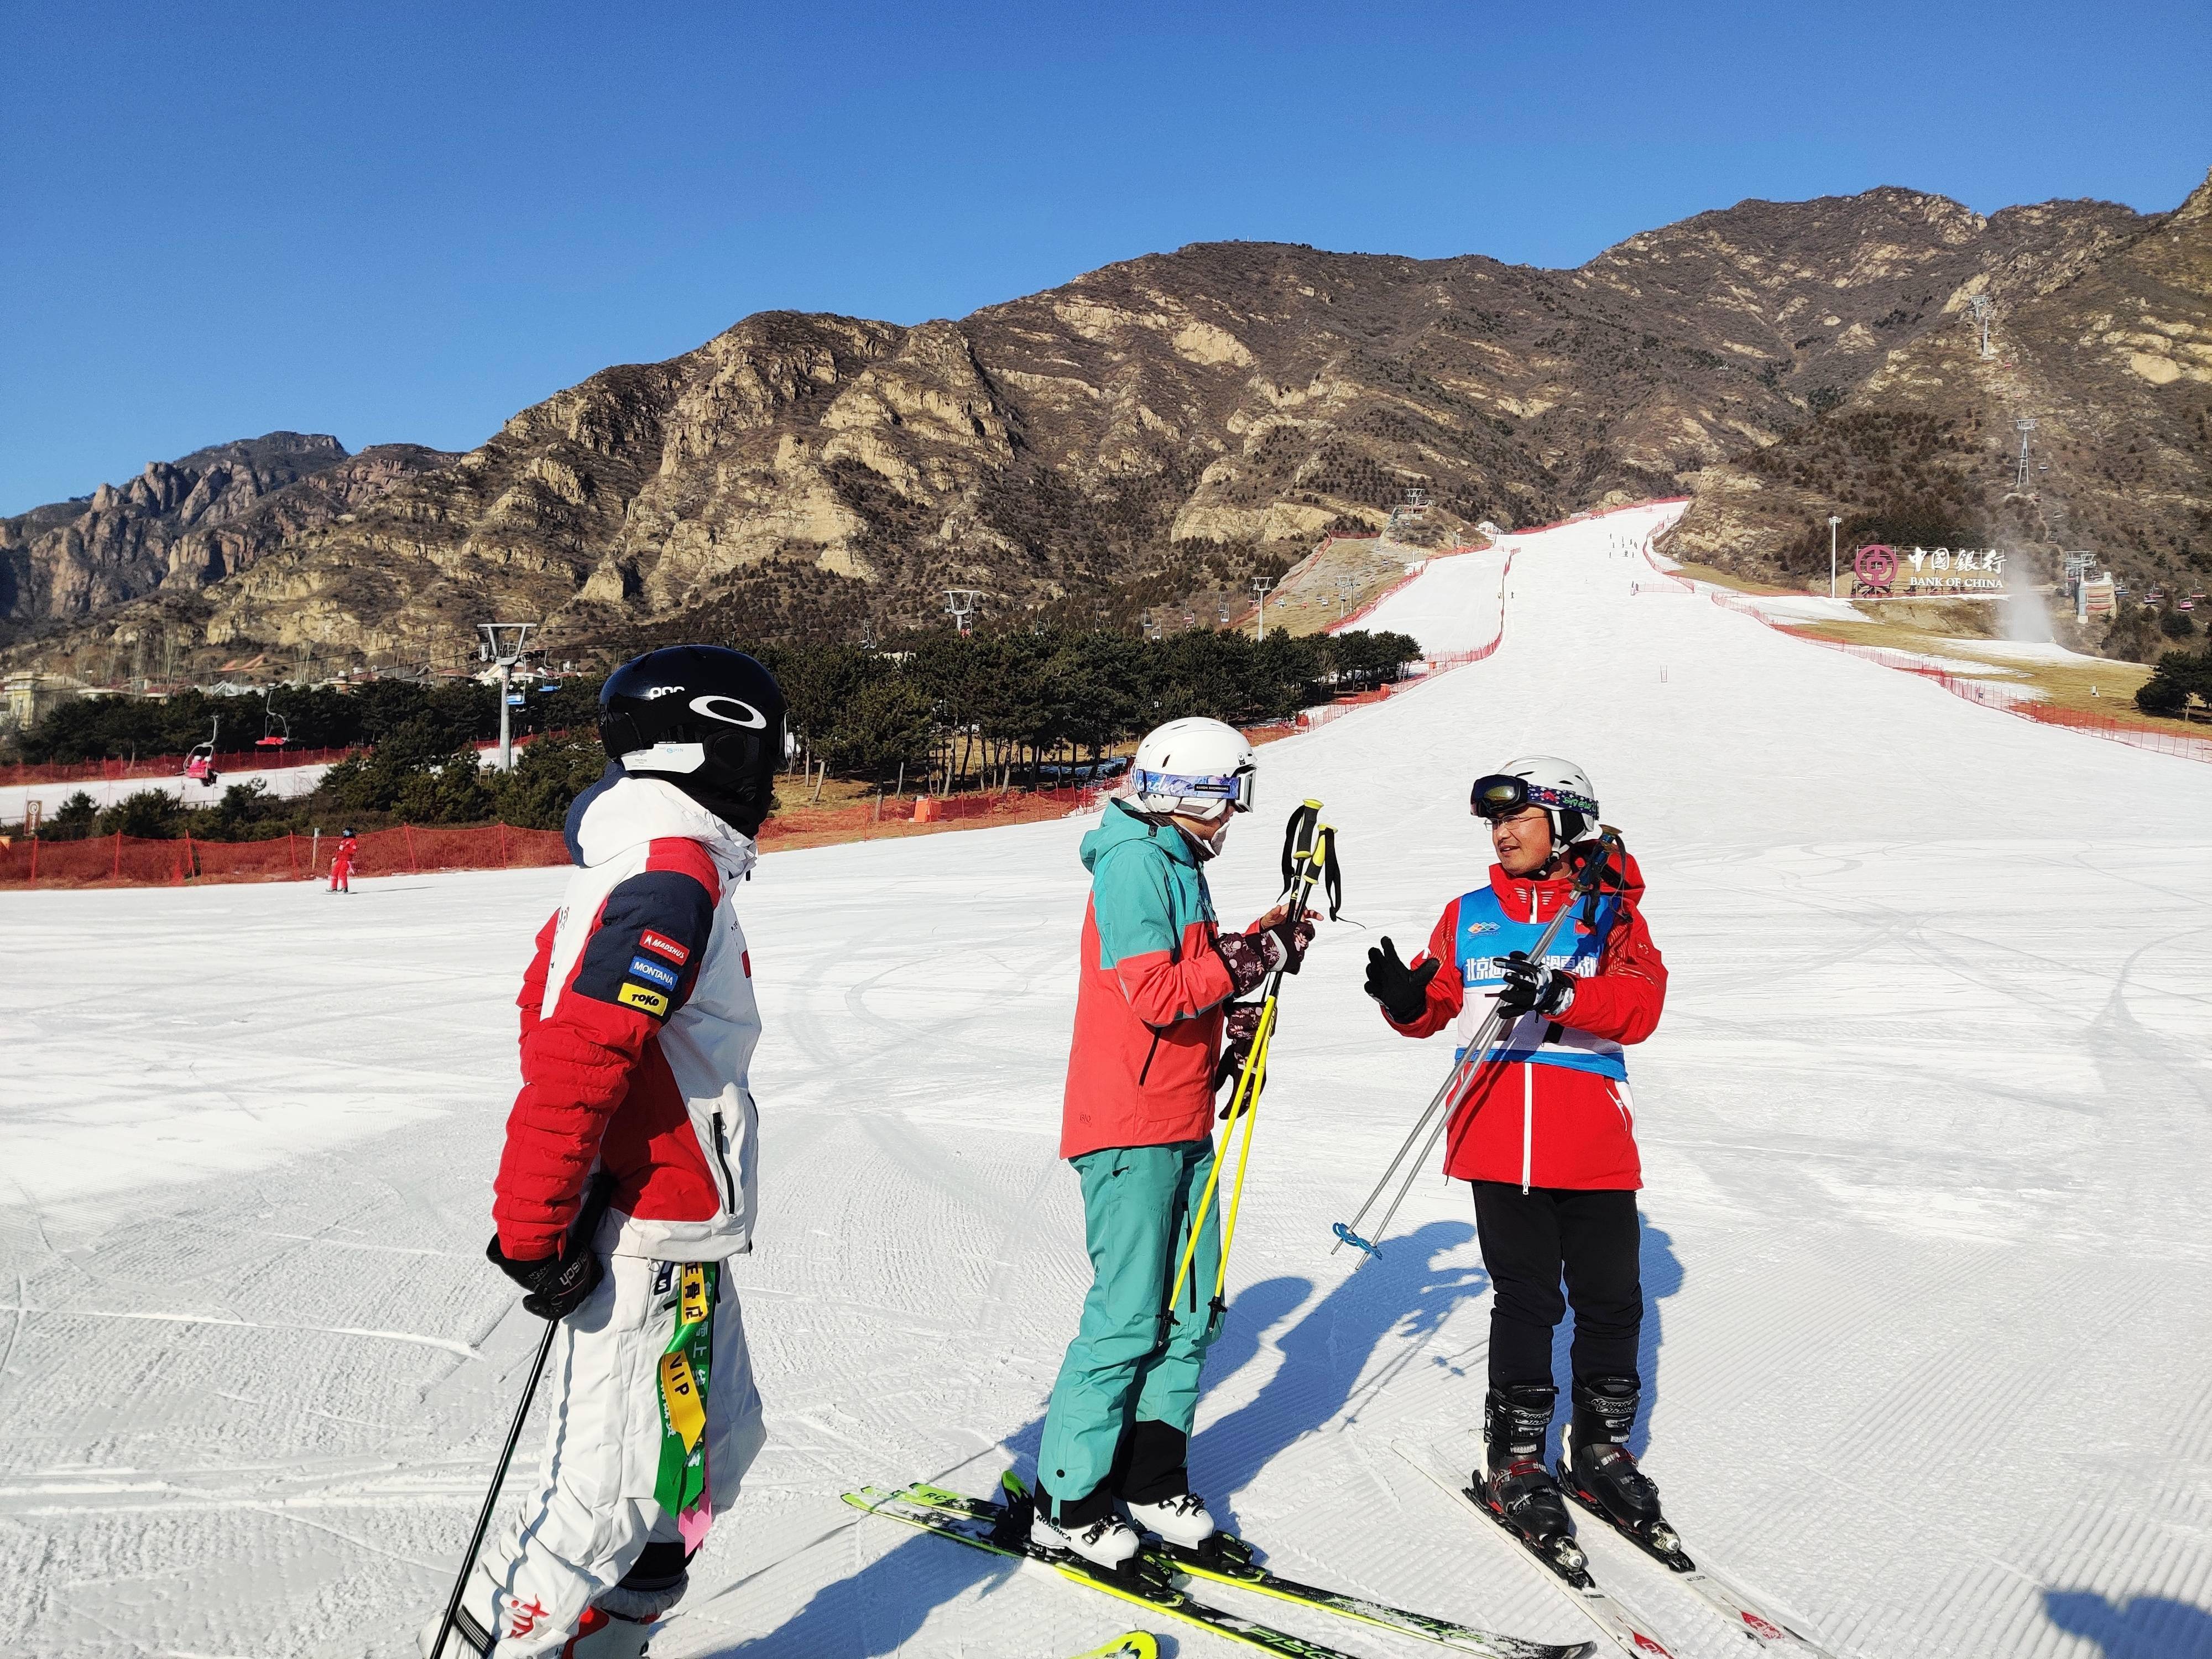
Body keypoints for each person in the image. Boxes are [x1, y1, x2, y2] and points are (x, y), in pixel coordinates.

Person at [424, 646, 786, 1659]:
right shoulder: (668, 875)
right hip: (646, 1233)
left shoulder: (667, 863)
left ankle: (609, 1638)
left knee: (712, 1451)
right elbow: (578, 1051)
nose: (774, 778)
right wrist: (537, 1228)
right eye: (768, 752)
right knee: (604, 1498)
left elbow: (562, 1010)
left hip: (686, 1228)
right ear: (722, 749)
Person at [1362, 757, 1669, 1554]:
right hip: (1496, 1133)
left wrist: (1563, 996)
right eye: (1496, 823)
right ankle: (1519, 1460)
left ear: (1566, 826)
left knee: (1612, 1299)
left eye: (1519, 820)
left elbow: (1641, 1004)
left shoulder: (1608, 914)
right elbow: (1434, 1005)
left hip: (1592, 1136)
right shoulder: (1468, 914)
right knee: (1527, 1300)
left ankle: (1602, 1450)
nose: (1502, 835)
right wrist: (1406, 999)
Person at [1032, 717, 1313, 1574]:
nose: (1233, 814)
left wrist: (1238, 986)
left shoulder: (1178, 865)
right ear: (1193, 792)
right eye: (1229, 796)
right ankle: (1068, 1499)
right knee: (1126, 1318)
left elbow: (1192, 990)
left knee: (1192, 1312)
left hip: (1183, 1117)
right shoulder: (1133, 864)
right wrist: (1249, 960)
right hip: (1129, 1125)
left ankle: (1151, 1477)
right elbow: (1156, 993)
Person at [328, 827, 358, 894]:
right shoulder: (343, 841)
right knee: (334, 873)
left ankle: (344, 888)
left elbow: (354, 850)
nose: (345, 833)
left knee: (342, 873)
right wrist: (336, 857)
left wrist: (345, 850)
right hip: (340, 859)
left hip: (346, 859)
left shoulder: (352, 841)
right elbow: (340, 851)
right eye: (344, 832)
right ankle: (333, 888)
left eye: (346, 832)